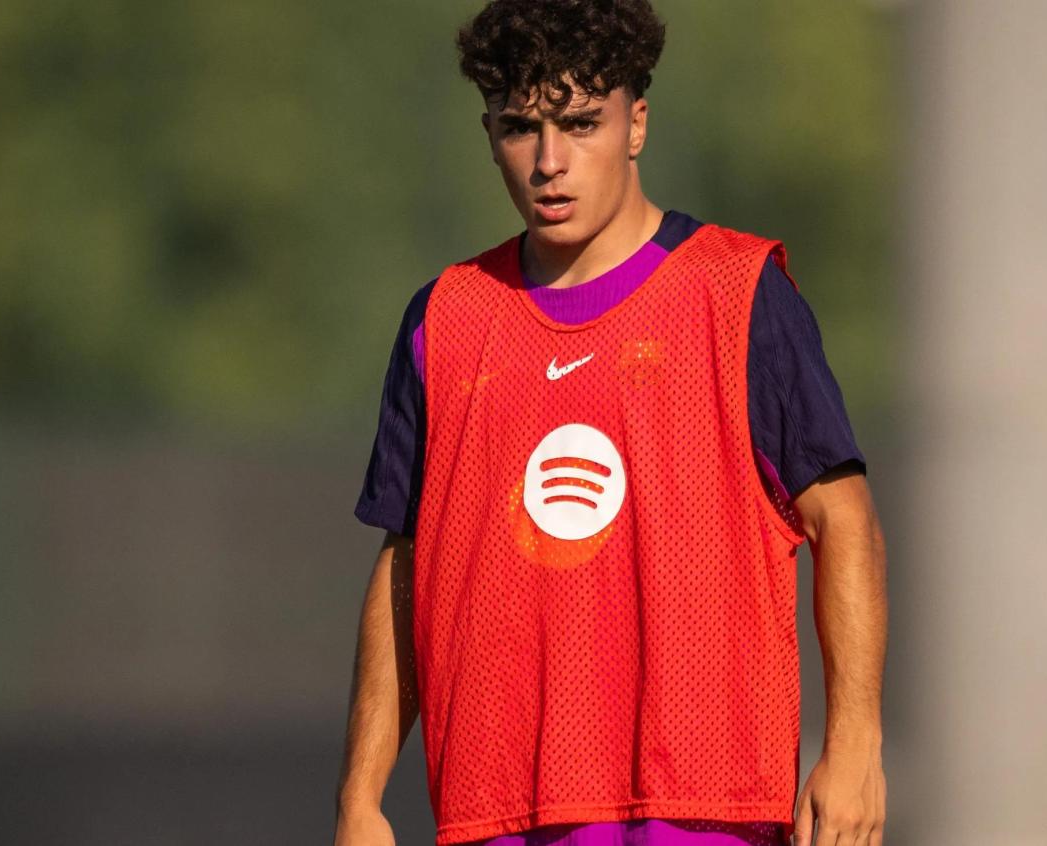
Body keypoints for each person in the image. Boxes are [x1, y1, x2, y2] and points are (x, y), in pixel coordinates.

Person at [335, 2, 887, 845]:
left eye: (581, 122)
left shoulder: (738, 293)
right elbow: (406, 560)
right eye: (521, 128)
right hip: (496, 811)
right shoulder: (442, 321)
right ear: (489, 133)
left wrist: (853, 745)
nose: (550, 162)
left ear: (636, 123)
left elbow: (842, 519)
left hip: (705, 809)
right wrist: (361, 797)